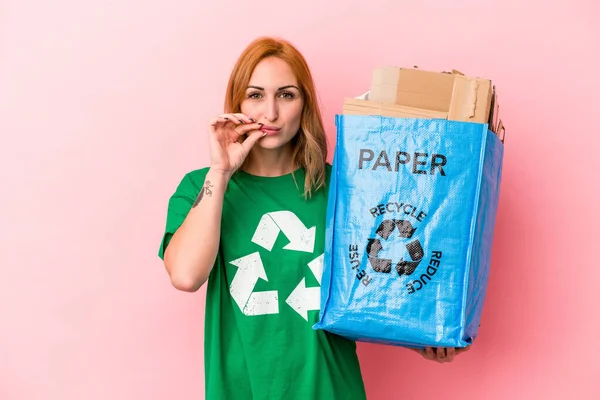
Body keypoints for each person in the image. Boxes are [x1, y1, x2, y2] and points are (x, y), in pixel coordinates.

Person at [158, 36, 467, 400]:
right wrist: (220, 172)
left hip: (331, 389)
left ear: (304, 104)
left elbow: (376, 285)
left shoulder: (345, 187)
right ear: (237, 103)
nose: (270, 113)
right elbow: (186, 275)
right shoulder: (203, 186)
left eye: (286, 95)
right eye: (256, 95)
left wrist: (421, 333)